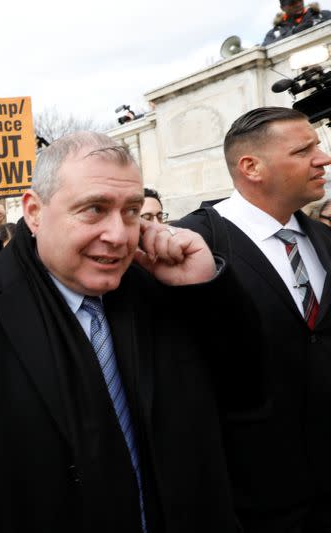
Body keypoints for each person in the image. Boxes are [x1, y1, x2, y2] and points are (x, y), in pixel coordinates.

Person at [0, 131, 261, 533]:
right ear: (34, 212)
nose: (119, 234)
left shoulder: (168, 292)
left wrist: (205, 290)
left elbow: (248, 399)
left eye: (131, 211)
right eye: (94, 209)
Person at [177, 106, 331, 532]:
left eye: (317, 146)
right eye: (304, 150)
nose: (323, 158)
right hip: (246, 504)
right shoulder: (194, 243)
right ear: (252, 167)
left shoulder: (322, 239)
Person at [263, 0, 331, 45]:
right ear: (282, 8)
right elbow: (266, 48)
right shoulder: (274, 33)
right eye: (292, 3)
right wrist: (293, 32)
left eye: (300, 0)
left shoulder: (323, 15)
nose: (298, 4)